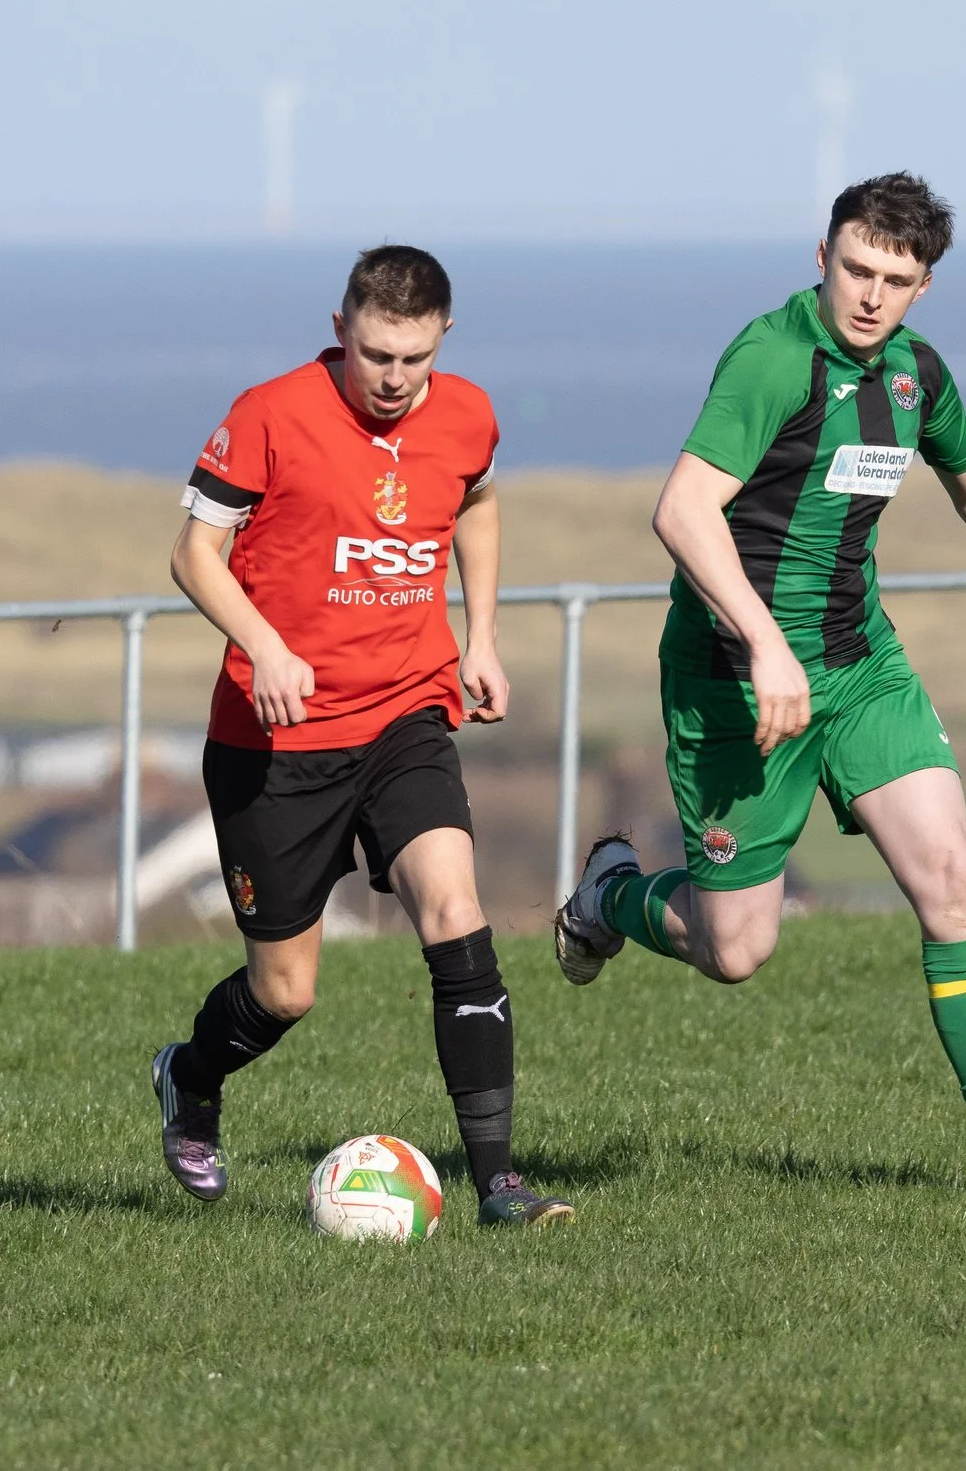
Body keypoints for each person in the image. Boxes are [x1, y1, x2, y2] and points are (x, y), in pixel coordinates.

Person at [551, 174, 966, 1192]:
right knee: (735, 949)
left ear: (922, 287)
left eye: (894, 279)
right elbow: (683, 511)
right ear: (821, 256)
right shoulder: (771, 359)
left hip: (861, 670)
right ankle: (609, 895)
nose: (869, 294)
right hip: (735, 680)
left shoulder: (915, 375)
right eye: (855, 268)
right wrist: (766, 645)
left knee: (952, 879)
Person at [151, 244, 571, 1227]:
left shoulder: (467, 414)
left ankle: (499, 1185)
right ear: (342, 328)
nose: (392, 378)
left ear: (442, 341)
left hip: (405, 713)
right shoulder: (269, 415)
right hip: (275, 741)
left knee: (454, 911)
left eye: (413, 358)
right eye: (376, 354)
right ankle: (190, 1074)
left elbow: (478, 502)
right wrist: (265, 643)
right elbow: (191, 554)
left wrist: (481, 638)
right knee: (285, 992)